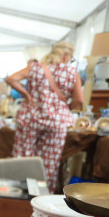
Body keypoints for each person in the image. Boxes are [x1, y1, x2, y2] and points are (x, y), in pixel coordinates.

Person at [7, 41, 84, 192]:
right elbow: (79, 100)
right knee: (48, 163)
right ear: (66, 55)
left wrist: (27, 95)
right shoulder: (71, 73)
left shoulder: (35, 68)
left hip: (31, 118)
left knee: (23, 157)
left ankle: (20, 193)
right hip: (56, 122)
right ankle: (42, 196)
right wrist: (65, 108)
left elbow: (11, 79)